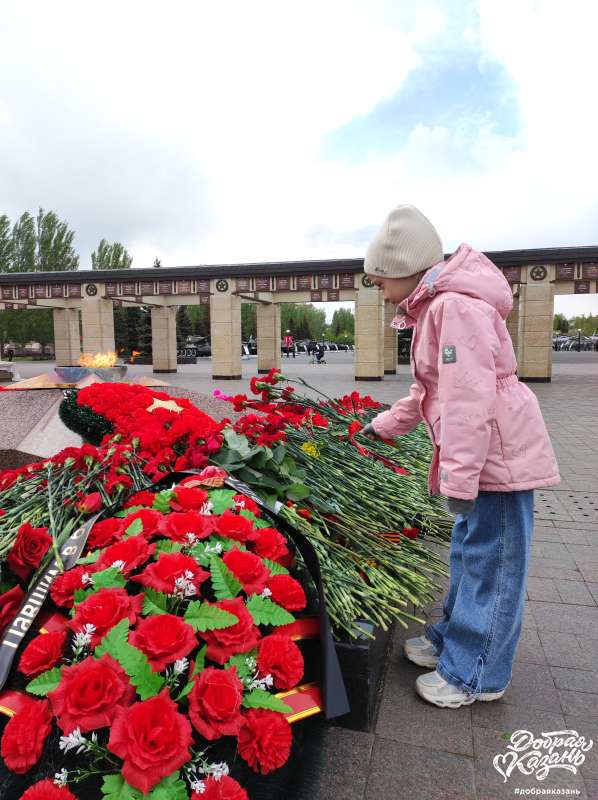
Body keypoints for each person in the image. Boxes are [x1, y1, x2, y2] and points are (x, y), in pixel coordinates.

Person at [362, 204, 560, 709]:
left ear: (404, 269)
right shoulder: (436, 308)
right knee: (472, 551)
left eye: (379, 279)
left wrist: (459, 478)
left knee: (493, 562)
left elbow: (470, 399)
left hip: (496, 457)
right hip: (483, 455)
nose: (377, 289)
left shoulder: (454, 308)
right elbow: (429, 390)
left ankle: (476, 672)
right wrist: (386, 426)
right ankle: (456, 637)